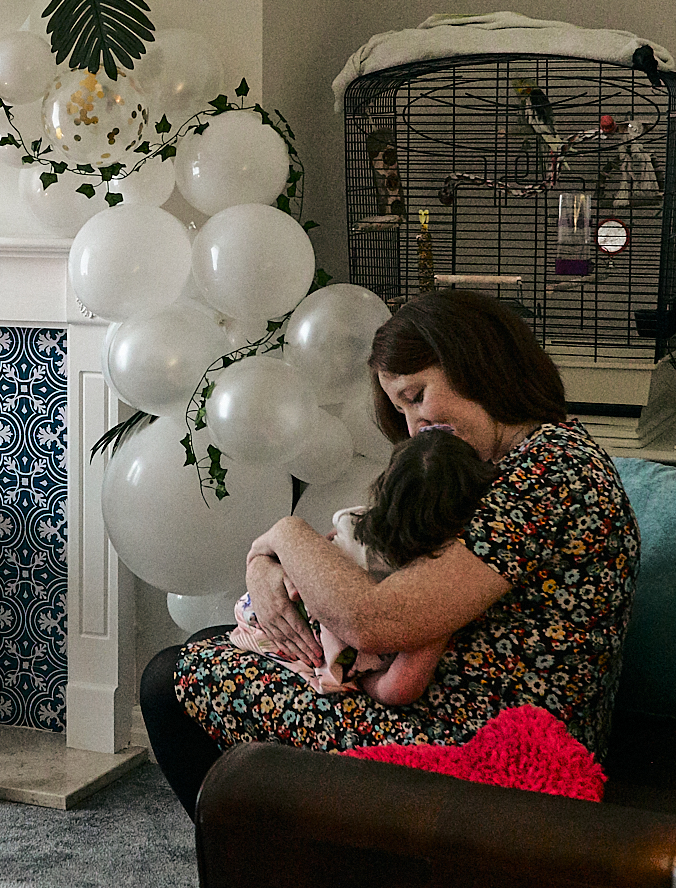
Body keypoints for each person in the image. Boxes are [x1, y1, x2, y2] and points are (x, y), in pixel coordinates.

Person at [138, 288, 640, 819]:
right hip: (452, 702)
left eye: (417, 395)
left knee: (168, 681)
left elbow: (375, 622)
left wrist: (284, 534)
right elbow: (383, 558)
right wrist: (262, 564)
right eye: (402, 409)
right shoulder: (511, 459)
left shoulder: (550, 473)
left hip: (475, 739)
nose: (414, 427)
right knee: (213, 644)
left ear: (477, 366)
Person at [228, 428, 499, 705]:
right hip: (307, 654)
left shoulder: (352, 522)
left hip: (256, 621)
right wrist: (360, 682)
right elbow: (399, 688)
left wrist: (264, 561)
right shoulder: (438, 590)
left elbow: (302, 557)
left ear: (383, 486)